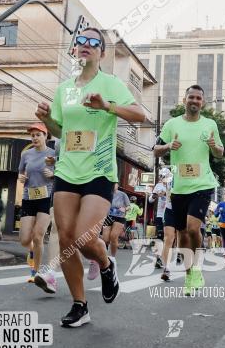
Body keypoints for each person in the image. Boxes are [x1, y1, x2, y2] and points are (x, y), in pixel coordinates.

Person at [35, 27, 145, 327]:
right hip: (67, 170)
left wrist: (106, 106)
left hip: (98, 171)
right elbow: (61, 131)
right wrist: (47, 119)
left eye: (92, 43)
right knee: (67, 238)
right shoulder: (64, 89)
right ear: (75, 50)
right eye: (79, 42)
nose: (84, 46)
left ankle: (107, 266)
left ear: (102, 53)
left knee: (84, 238)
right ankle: (80, 305)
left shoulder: (110, 84)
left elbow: (140, 115)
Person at [154, 84, 224, 296]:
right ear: (184, 100)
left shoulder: (210, 124)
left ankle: (197, 266)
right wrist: (167, 147)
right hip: (179, 187)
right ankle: (189, 275)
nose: (194, 101)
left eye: (198, 98)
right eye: (191, 97)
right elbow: (156, 150)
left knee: (193, 228)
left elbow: (220, 153)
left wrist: (213, 146)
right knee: (183, 233)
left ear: (203, 102)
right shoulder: (172, 124)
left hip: (203, 184)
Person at [18, 123, 56, 292]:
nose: (34, 138)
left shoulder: (54, 154)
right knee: (25, 239)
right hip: (28, 197)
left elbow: (63, 173)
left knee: (38, 235)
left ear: (46, 136)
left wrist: (54, 174)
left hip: (45, 198)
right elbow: (21, 172)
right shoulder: (26, 154)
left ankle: (36, 271)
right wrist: (21, 178)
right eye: (32, 135)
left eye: (38, 135)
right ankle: (31, 251)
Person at [99, 182, 130, 274]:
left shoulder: (123, 194)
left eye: (115, 184)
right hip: (108, 217)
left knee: (113, 236)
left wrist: (125, 209)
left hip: (120, 217)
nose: (113, 186)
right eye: (111, 184)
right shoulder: (107, 194)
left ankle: (112, 258)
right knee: (105, 239)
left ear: (117, 185)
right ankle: (104, 257)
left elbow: (129, 206)